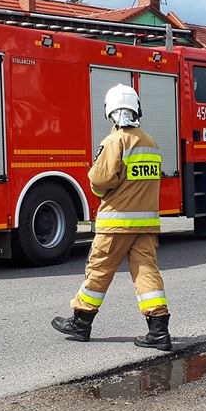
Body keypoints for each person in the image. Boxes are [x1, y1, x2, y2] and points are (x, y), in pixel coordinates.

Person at [51, 84, 172, 351]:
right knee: (147, 274)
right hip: (146, 224)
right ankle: (159, 330)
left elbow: (100, 180)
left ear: (110, 112)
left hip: (117, 223)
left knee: (99, 271)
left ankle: (81, 322)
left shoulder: (115, 141)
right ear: (136, 109)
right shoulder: (150, 142)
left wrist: (97, 188)